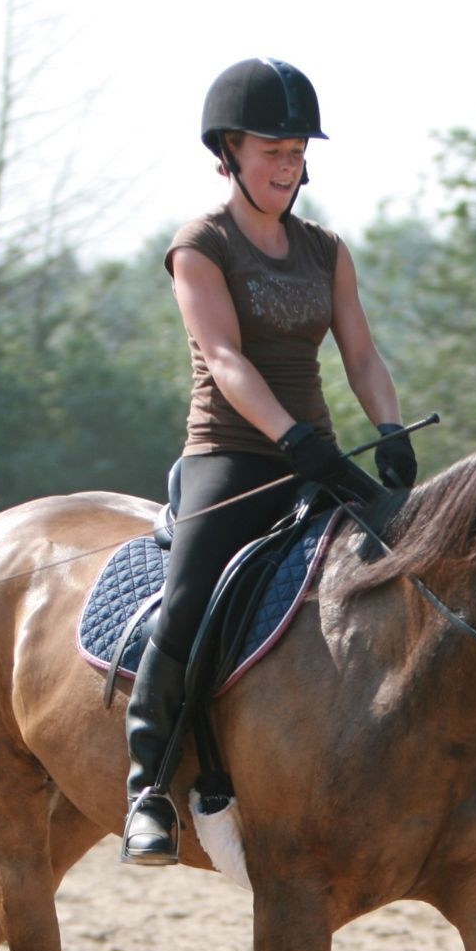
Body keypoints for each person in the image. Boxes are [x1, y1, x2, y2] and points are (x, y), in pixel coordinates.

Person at [122, 55, 417, 867]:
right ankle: (148, 787)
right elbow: (224, 358)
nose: (288, 167)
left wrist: (387, 427)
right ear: (229, 153)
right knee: (185, 601)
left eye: (297, 152)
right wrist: (292, 438)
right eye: (272, 151)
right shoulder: (201, 245)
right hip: (232, 453)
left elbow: (360, 351)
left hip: (317, 455)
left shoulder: (326, 250)